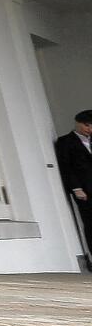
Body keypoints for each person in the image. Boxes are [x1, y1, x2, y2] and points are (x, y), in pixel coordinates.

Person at [54, 110, 92, 257]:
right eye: (86, 125)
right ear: (77, 123)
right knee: (90, 223)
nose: (89, 129)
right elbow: (66, 167)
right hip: (85, 190)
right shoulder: (65, 142)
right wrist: (76, 188)